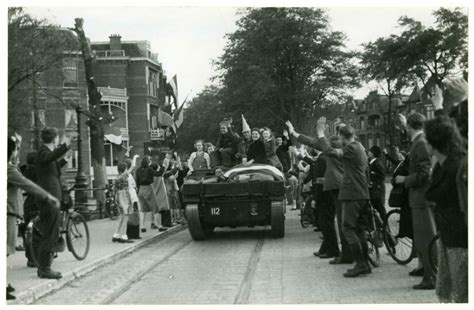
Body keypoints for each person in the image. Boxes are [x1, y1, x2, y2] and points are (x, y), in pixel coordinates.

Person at [287, 118, 371, 277]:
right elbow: (316, 143)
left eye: (337, 133)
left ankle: (358, 261)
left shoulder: (347, 147)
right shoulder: (358, 146)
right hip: (357, 191)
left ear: (342, 136)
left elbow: (327, 149)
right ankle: (355, 259)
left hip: (349, 191)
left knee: (347, 226)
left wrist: (319, 133)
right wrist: (295, 133)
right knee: (351, 226)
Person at [289, 123, 352, 265]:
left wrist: (299, 134)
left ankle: (345, 253)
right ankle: (336, 250)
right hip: (334, 188)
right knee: (338, 221)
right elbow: (313, 142)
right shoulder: (333, 150)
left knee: (340, 222)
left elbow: (315, 142)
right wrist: (295, 134)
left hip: (335, 188)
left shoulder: (336, 149)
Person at [7, 134, 60, 299]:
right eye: (16, 149)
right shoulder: (9, 169)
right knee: (7, 247)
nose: (18, 152)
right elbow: (28, 184)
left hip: (12, 210)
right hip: (8, 210)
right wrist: (48, 196)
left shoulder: (11, 166)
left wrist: (18, 142)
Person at [423, 116, 467, 302]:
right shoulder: (448, 163)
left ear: (433, 145)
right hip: (449, 237)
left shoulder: (456, 167)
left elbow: (432, 194)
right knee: (447, 292)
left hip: (460, 241)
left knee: (460, 294)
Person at [394, 112, 436, 290]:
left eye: (406, 127)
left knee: (426, 238)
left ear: (411, 127)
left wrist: (405, 180)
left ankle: (431, 277)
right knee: (421, 238)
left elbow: (425, 174)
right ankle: (425, 270)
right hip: (419, 199)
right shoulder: (420, 141)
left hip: (421, 199)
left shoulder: (420, 144)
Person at [35, 128, 72, 279]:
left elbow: (51, 167)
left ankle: (45, 266)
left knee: (51, 231)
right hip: (49, 199)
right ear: (54, 139)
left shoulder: (45, 154)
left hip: (52, 198)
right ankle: (44, 268)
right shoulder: (43, 152)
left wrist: (64, 159)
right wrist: (64, 146)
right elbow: (48, 159)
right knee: (50, 232)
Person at [19, 152, 41, 267]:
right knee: (40, 230)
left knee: (27, 231)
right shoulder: (40, 170)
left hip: (28, 204)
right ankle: (39, 257)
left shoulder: (24, 171)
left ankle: (30, 258)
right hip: (39, 202)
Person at [136, 155, 167, 232]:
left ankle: (142, 226)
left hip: (141, 189)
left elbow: (137, 181)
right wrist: (163, 167)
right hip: (148, 189)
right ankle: (158, 225)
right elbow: (158, 173)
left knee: (143, 209)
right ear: (148, 162)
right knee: (155, 207)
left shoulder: (138, 170)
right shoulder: (149, 169)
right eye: (150, 160)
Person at [113, 155, 139, 243]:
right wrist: (135, 157)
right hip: (124, 197)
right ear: (124, 169)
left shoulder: (117, 177)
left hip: (118, 196)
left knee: (121, 217)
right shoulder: (124, 176)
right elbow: (133, 166)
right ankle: (124, 236)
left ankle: (116, 234)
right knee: (126, 217)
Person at [368, 146, 387, 221]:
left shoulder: (377, 163)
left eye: (370, 151)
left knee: (380, 209)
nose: (368, 153)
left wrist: (373, 181)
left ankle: (386, 227)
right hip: (374, 190)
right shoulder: (371, 162)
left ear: (373, 153)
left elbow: (382, 176)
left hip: (378, 190)